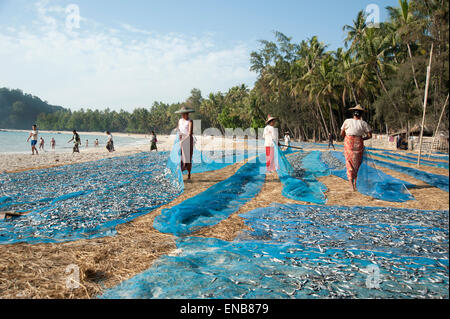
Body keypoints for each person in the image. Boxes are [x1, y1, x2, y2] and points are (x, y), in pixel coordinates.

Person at [340, 105, 372, 191]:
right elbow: (369, 135)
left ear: (353, 114)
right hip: (359, 144)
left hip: (349, 143)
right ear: (361, 114)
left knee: (349, 162)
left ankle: (351, 185)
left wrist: (347, 138)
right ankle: (355, 183)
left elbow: (342, 133)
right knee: (357, 164)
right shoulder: (364, 123)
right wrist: (361, 139)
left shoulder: (347, 121)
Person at [175, 106, 195, 180]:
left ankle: (189, 174)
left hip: (188, 140)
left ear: (187, 114)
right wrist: (176, 129)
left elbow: (190, 133)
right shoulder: (180, 120)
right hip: (181, 140)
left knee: (187, 158)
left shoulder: (190, 121)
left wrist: (183, 141)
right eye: (182, 114)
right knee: (179, 157)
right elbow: (179, 128)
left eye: (184, 114)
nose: (183, 115)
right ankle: (180, 173)